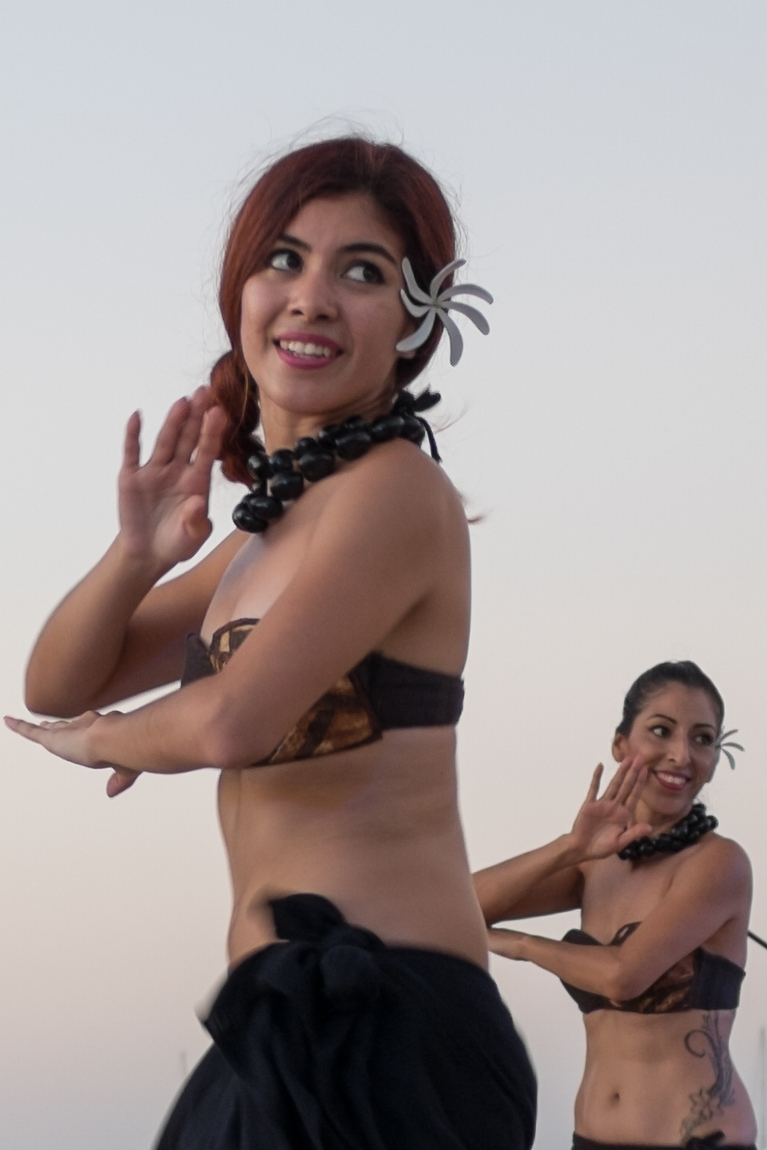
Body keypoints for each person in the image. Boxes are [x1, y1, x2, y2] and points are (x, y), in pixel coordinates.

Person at [6, 136, 536, 1150]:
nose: (311, 297)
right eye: (283, 260)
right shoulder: (259, 539)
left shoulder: (395, 495)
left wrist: (105, 740)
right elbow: (58, 678)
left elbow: (228, 719)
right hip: (272, 1024)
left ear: (419, 318)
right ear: (239, 290)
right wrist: (133, 557)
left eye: (362, 271)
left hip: (391, 1025)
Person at [475, 661, 756, 1150]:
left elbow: (623, 975)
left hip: (697, 1139)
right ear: (621, 744)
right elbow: (461, 905)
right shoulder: (598, 865)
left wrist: (520, 945)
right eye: (661, 731)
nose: (680, 755)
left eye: (703, 739)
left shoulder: (719, 864)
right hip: (592, 1137)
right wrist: (570, 847)